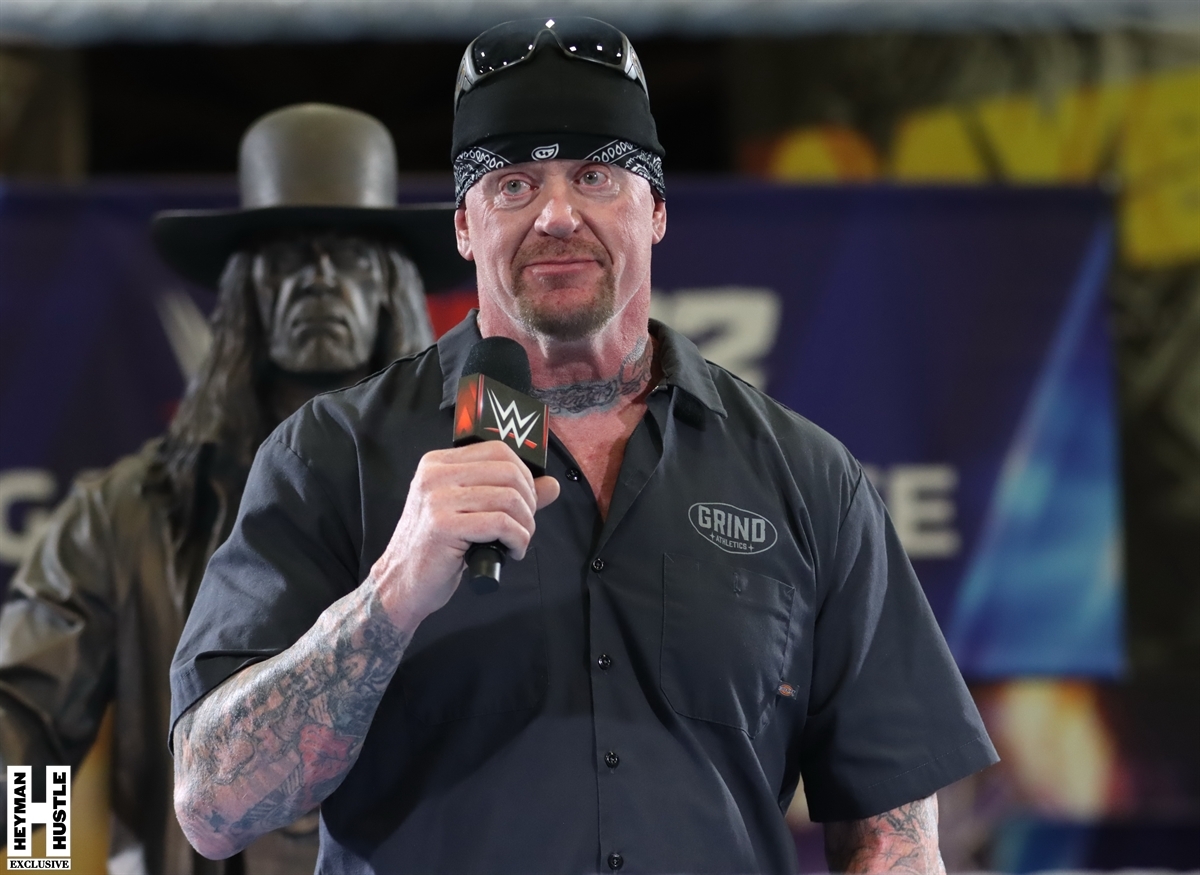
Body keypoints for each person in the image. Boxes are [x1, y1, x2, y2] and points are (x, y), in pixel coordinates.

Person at [170, 20, 999, 874]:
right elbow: (210, 806)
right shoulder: (331, 456)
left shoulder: (810, 478)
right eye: (514, 183)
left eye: (596, 175)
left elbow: (894, 839)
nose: (558, 215)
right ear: (464, 226)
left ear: (658, 210)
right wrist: (391, 595)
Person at [0, 103, 467, 875]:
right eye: (287, 259)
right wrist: (31, 860)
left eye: (351, 256)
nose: (319, 279)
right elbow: (27, 729)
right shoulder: (128, 514)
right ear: (244, 294)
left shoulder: (467, 499)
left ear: (393, 286)